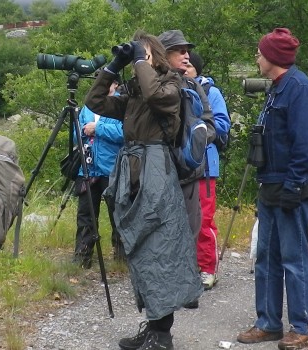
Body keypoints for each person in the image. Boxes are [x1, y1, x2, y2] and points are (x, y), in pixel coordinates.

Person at [84, 30, 204, 350]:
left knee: (160, 248)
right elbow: (94, 101)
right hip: (133, 168)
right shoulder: (134, 93)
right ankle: (153, 327)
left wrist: (140, 59)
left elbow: (156, 95)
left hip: (156, 170)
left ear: (155, 57)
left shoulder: (172, 84)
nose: (139, 57)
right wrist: (115, 64)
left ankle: (162, 335)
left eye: (144, 52)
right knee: (141, 250)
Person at [236, 27, 308, 350]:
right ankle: (269, 322)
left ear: (273, 57)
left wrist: (293, 185)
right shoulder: (276, 89)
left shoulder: (300, 89)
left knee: (294, 258)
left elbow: (307, 144)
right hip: (270, 185)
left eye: (260, 53)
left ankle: (303, 326)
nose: (257, 58)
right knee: (266, 257)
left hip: (292, 188)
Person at [185, 50, 231, 290]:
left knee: (204, 220)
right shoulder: (174, 90)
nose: (183, 70)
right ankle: (186, 268)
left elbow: (222, 125)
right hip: (180, 168)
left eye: (188, 66)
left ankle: (207, 269)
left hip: (204, 168)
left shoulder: (211, 92)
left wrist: (194, 128)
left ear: (196, 69)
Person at [72, 81, 126, 268]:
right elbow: (74, 135)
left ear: (115, 84)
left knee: (117, 214)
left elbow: (126, 132)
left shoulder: (121, 103)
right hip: (87, 167)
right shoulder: (87, 106)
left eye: (106, 82)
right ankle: (82, 258)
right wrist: (82, 131)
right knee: (85, 213)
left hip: (112, 168)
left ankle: (122, 258)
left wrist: (98, 128)